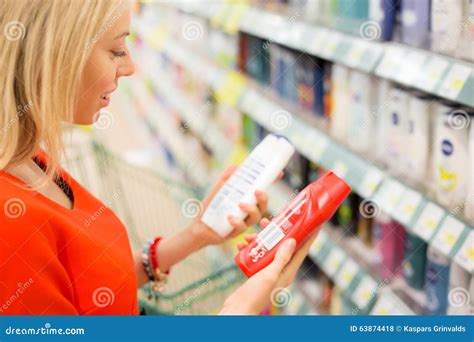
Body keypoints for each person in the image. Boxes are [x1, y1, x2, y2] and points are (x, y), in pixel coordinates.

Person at [0, 0, 318, 315]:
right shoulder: (10, 224)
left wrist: (198, 234)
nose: (130, 67)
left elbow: (84, 290)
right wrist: (239, 312)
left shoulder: (26, 157)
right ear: (52, 54)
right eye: (115, 50)